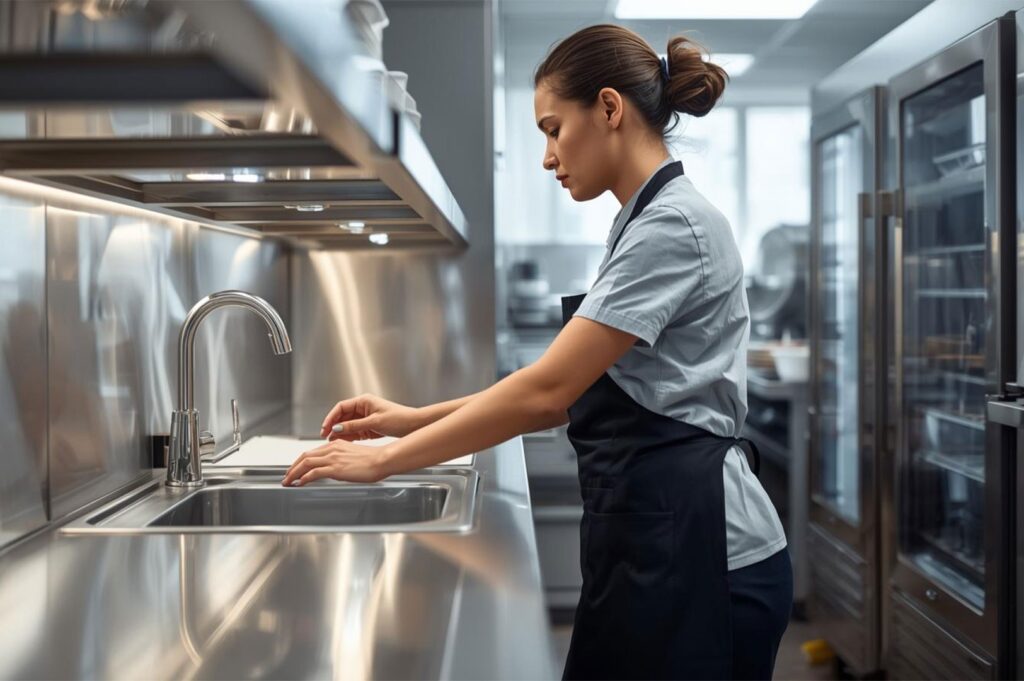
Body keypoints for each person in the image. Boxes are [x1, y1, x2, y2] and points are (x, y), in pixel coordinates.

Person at [283, 23, 792, 681]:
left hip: (706, 555)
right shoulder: (639, 220)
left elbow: (548, 391)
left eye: (553, 129)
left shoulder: (674, 226)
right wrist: (409, 418)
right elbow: (566, 385)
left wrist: (383, 459)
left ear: (609, 108)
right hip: (659, 540)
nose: (548, 156)